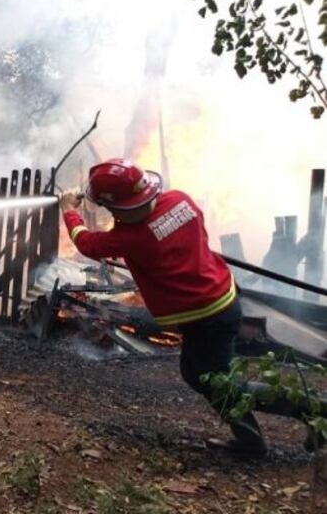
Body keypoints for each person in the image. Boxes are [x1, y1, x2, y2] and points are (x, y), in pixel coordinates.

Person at [59, 158, 317, 456]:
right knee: (197, 374)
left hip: (207, 316)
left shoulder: (133, 236)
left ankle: (309, 410)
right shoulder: (180, 200)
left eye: (110, 208)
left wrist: (69, 211)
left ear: (117, 207)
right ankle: (253, 437)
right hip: (221, 300)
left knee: (216, 381)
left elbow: (88, 244)